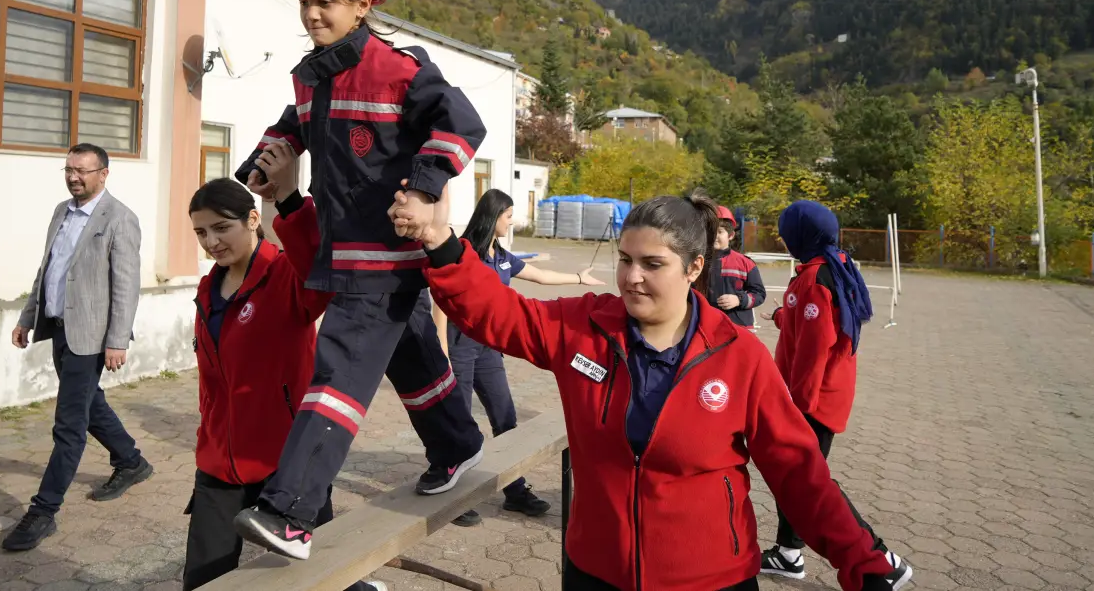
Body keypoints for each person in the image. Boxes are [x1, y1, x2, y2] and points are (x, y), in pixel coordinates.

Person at [389, 188, 913, 591]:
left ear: (695, 268)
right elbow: (498, 314)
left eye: (652, 264)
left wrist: (860, 558)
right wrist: (440, 242)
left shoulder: (739, 357)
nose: (631, 277)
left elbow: (801, 474)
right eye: (624, 259)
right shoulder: (584, 328)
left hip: (712, 579)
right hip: (594, 571)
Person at [230, 0, 486, 558]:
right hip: (343, 254)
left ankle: (290, 512)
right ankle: (457, 444)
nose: (313, 11)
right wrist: (270, 155)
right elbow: (297, 123)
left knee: (336, 377)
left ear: (366, 3)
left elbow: (463, 124)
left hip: (383, 257)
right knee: (416, 362)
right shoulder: (311, 77)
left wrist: (426, 187)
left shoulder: (401, 72)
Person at [182, 171, 384, 591]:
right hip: (219, 460)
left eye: (222, 228)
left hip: (286, 462)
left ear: (253, 220)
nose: (211, 242)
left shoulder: (286, 275)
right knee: (204, 580)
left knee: (322, 576)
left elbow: (317, 264)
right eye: (201, 232)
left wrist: (288, 200)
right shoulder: (208, 289)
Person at [4, 143, 152, 551]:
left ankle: (43, 510)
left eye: (83, 171)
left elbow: (126, 285)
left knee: (69, 424)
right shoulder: (61, 212)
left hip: (92, 337)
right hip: (58, 327)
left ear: (103, 174)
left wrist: (117, 340)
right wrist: (27, 317)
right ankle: (131, 462)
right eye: (69, 169)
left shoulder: (120, 218)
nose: (74, 177)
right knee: (89, 404)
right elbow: (48, 268)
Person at [758, 200, 911, 588]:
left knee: (812, 481)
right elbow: (810, 325)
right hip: (821, 395)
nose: (782, 237)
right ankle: (789, 553)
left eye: (785, 230)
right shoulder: (829, 267)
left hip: (813, 400)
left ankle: (881, 559)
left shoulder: (816, 278)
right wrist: (780, 316)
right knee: (796, 477)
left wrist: (797, 407)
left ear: (801, 235)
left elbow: (815, 349)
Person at [436, 189, 604, 527]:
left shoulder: (501, 256)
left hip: (489, 349)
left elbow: (539, 276)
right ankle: (454, 499)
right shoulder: (463, 253)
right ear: (494, 216)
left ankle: (515, 492)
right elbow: (440, 307)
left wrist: (578, 278)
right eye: (509, 215)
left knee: (505, 418)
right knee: (459, 423)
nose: (512, 222)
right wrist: (443, 356)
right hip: (460, 348)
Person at [709, 206, 767, 330]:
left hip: (739, 329)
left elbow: (759, 294)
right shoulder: (698, 262)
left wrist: (739, 300)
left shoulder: (745, 263)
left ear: (731, 235)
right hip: (707, 327)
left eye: (719, 232)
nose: (714, 236)